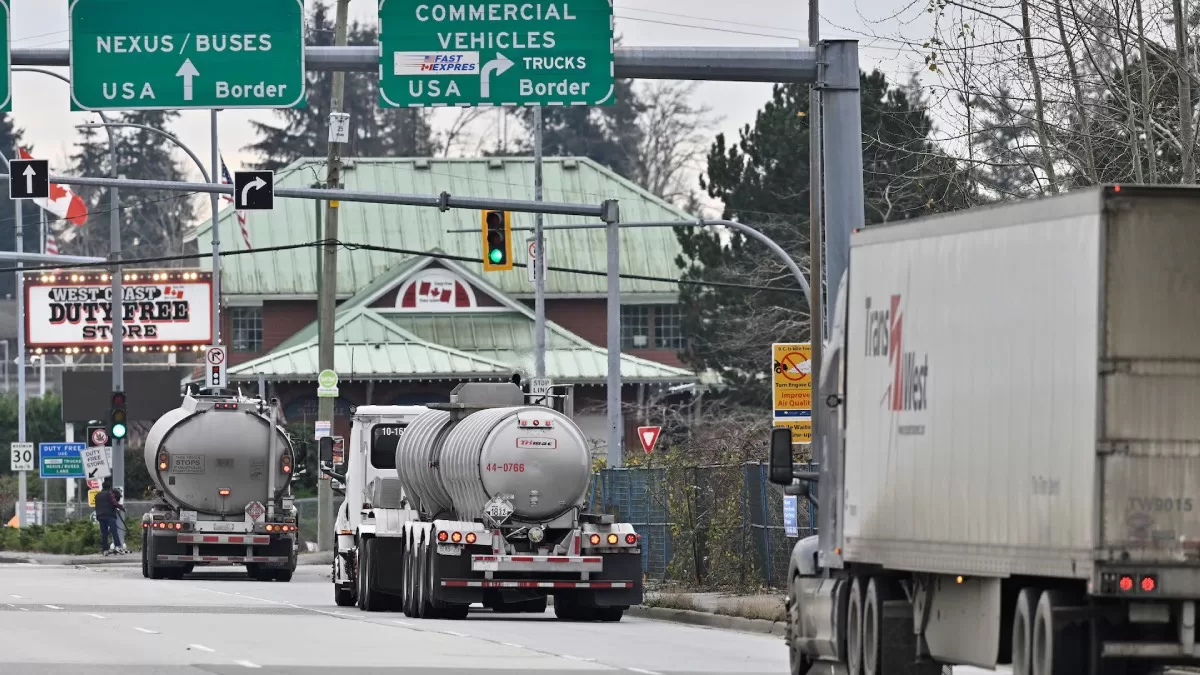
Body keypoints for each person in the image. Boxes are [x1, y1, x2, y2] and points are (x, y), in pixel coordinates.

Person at [95, 482, 128, 555]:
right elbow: (115, 503)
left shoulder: (97, 495)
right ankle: (118, 547)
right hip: (109, 515)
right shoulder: (109, 494)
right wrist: (123, 509)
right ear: (110, 487)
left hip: (100, 516)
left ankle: (105, 550)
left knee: (104, 533)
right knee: (114, 531)